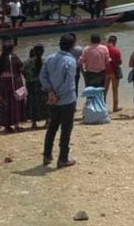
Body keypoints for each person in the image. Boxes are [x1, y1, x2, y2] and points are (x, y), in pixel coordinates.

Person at [40, 34, 80, 168]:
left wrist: (51, 92)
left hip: (53, 100)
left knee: (51, 128)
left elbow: (42, 76)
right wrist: (58, 94)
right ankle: (63, 158)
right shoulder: (71, 61)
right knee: (66, 130)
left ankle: (47, 155)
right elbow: (69, 82)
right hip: (67, 100)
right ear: (72, 45)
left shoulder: (50, 58)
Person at [0, 37, 26, 132]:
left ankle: (6, 124)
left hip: (3, 82)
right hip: (14, 82)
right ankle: (16, 124)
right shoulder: (14, 57)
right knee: (16, 101)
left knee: (5, 102)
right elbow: (21, 68)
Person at [24, 45, 49, 130]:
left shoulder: (27, 62)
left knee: (32, 103)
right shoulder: (46, 61)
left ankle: (34, 123)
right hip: (43, 84)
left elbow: (24, 73)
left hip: (31, 84)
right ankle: (47, 121)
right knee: (45, 102)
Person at [105, 35, 123, 113]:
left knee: (104, 90)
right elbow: (119, 62)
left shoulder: (103, 49)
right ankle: (115, 107)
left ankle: (102, 106)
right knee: (115, 90)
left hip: (105, 72)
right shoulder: (116, 50)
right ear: (115, 42)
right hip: (114, 72)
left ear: (108, 41)